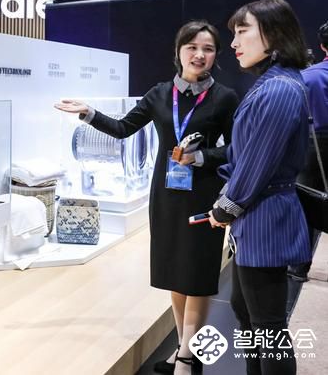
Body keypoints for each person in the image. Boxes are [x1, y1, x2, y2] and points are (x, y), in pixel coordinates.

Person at [55, 21, 239, 374]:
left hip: (202, 196)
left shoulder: (224, 97)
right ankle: (185, 349)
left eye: (208, 49)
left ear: (216, 55)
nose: (199, 55)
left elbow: (236, 149)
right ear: (179, 51)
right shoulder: (159, 94)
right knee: (175, 273)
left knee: (197, 276)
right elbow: (123, 128)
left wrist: (201, 157)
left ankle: (187, 356)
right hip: (166, 196)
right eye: (192, 47)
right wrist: (87, 112)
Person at [209, 0, 312, 375]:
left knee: (268, 326)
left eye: (242, 32)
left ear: (274, 34)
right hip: (255, 218)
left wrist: (226, 207)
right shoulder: (272, 84)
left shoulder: (279, 88)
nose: (234, 43)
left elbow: (257, 163)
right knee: (248, 313)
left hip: (265, 217)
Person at [287, 20, 328, 282]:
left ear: (322, 46)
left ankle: (299, 267)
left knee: (307, 204)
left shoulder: (308, 76)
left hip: (315, 145)